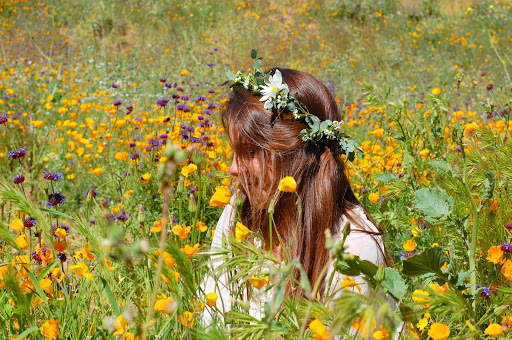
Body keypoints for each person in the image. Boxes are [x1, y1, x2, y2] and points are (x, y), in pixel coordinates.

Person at [201, 66, 391, 330]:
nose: (233, 169)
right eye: (235, 151)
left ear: (296, 154)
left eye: (251, 151)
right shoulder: (240, 211)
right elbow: (211, 318)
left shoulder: (353, 249)